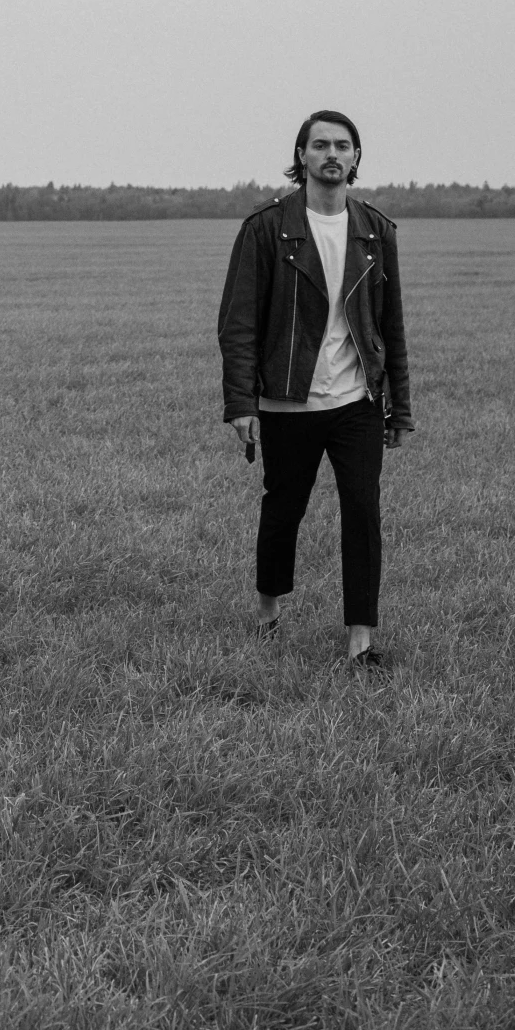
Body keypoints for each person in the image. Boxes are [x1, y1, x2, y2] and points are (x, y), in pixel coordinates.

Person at [217, 110, 413, 669]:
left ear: (355, 158)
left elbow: (391, 326)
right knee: (284, 509)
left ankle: (361, 641)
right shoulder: (266, 229)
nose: (332, 154)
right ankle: (267, 610)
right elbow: (238, 324)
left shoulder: (375, 230)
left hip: (357, 402)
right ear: (301, 156)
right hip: (286, 400)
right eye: (320, 144)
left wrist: (398, 409)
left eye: (343, 146)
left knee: (363, 512)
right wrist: (240, 403)